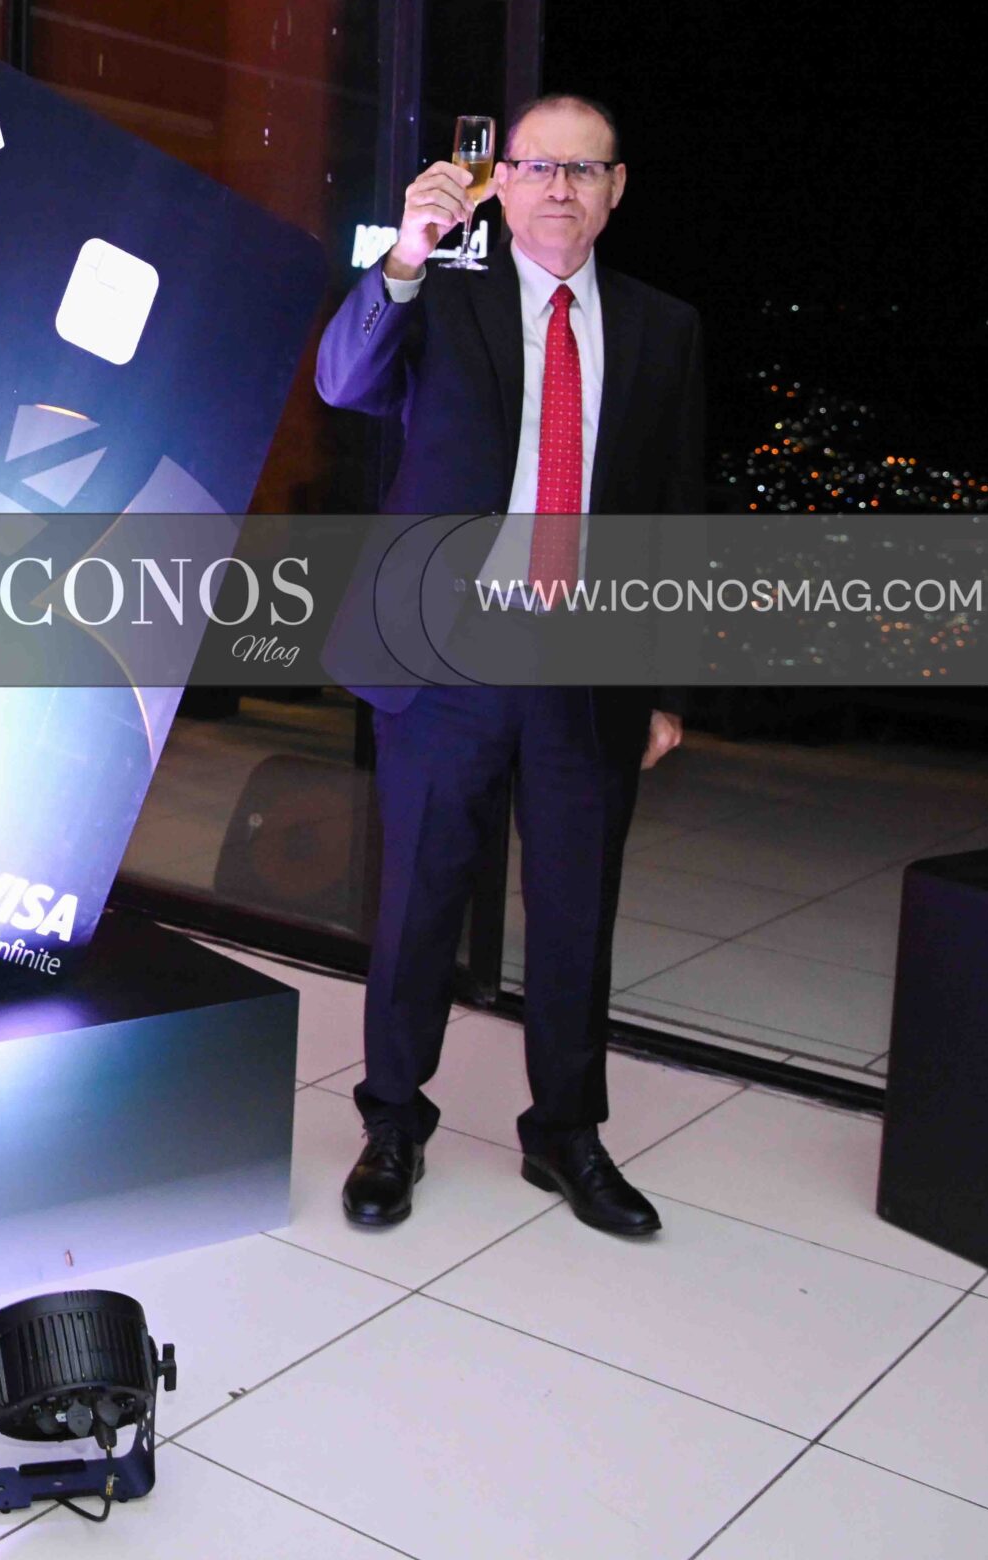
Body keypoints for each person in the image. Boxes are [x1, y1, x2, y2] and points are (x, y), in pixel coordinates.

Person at [313, 93, 703, 1237]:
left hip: (588, 663)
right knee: (418, 900)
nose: (558, 189)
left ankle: (566, 1135)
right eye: (536, 167)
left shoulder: (663, 327)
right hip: (446, 652)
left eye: (583, 170)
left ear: (615, 189)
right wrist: (406, 253)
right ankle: (392, 1122)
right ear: (503, 183)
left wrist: (667, 686)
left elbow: (675, 513)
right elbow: (341, 380)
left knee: (577, 909)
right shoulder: (443, 294)